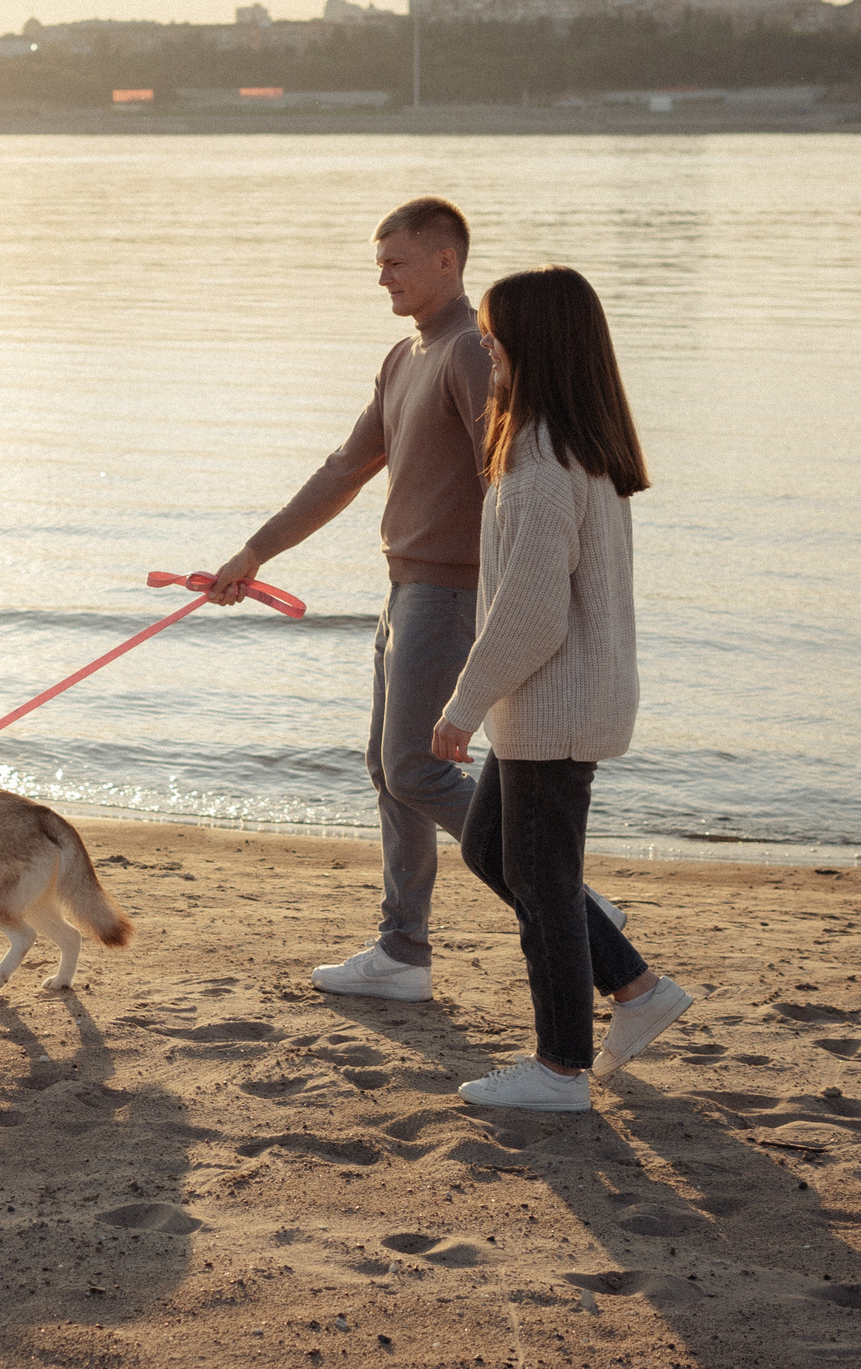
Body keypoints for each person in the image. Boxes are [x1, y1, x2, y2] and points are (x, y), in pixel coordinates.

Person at [210, 197, 619, 1001]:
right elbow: (344, 469)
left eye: (397, 262)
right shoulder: (406, 355)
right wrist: (255, 550)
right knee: (386, 768)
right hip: (404, 587)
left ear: (447, 260)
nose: (384, 277)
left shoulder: (472, 349)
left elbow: (502, 478)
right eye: (379, 264)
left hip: (453, 592)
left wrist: (499, 602)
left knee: (415, 769)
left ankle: (572, 903)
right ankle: (403, 948)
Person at [432, 265, 689, 1112]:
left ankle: (560, 1069)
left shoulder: (544, 465)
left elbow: (532, 613)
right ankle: (636, 985)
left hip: (555, 703)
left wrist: (463, 704)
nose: (484, 345)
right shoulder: (566, 444)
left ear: (530, 345)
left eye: (494, 333)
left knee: (543, 886)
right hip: (560, 699)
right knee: (491, 851)